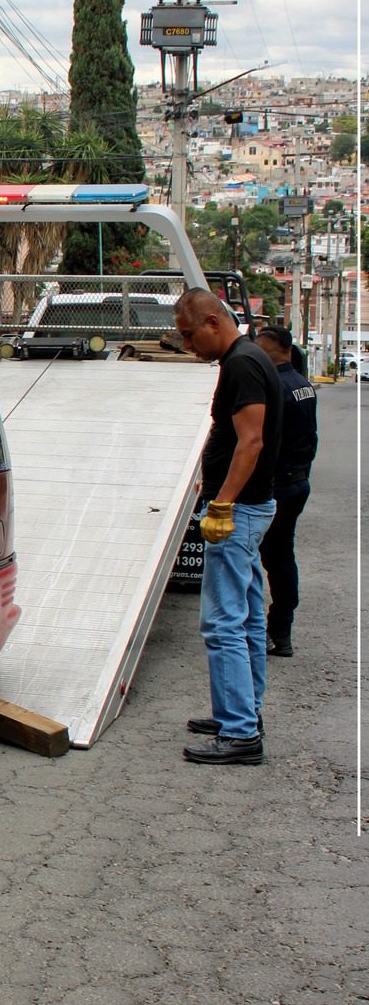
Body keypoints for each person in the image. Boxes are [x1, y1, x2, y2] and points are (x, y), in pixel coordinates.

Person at [172, 287, 282, 766]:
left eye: (189, 334)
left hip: (239, 513)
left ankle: (239, 733)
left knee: (222, 622)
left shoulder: (241, 364)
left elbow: (251, 441)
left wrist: (222, 504)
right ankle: (242, 714)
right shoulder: (249, 358)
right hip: (252, 508)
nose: (189, 345)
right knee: (249, 617)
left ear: (212, 322)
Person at [256, 324, 318, 656]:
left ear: (278, 351)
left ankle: (272, 632)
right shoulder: (303, 385)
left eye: (260, 350)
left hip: (277, 485)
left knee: (262, 558)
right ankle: (281, 631)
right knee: (281, 557)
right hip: (297, 481)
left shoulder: (274, 387)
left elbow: (260, 442)